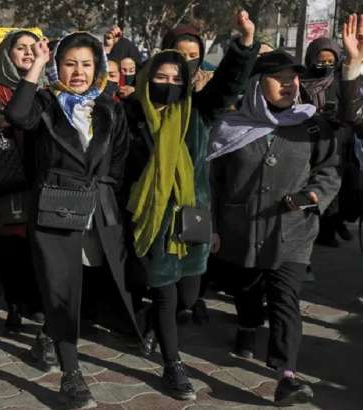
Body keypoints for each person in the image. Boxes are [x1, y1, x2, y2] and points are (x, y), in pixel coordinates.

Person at [123, 10, 258, 401]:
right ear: (148, 80)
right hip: (153, 221)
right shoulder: (132, 116)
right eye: (161, 78)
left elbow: (230, 84)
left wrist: (244, 43)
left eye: (176, 79)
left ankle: (150, 317)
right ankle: (173, 365)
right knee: (166, 293)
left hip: (192, 219)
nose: (168, 85)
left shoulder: (198, 113)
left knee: (187, 297)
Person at [5, 32, 140, 410]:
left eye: (86, 63)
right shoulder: (45, 103)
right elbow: (17, 115)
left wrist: (106, 199)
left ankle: (47, 336)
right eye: (69, 63)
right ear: (56, 65)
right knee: (61, 286)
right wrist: (34, 68)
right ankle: (72, 374)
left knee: (89, 280)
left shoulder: (109, 106)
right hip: (54, 210)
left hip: (98, 210)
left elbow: (118, 161)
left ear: (97, 66)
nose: (78, 72)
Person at [209, 49, 341, 406]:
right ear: (256, 84)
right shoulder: (229, 126)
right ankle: (248, 325)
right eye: (278, 78)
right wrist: (214, 225)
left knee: (286, 298)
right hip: (241, 228)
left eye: (293, 78)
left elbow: (329, 168)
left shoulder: (312, 125)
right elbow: (213, 181)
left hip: (293, 228)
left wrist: (315, 194)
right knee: (248, 289)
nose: (289, 84)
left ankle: (287, 375)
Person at [0, 30, 44, 333]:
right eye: (20, 48)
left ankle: (35, 302)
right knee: (10, 247)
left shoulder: (49, 87)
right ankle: (15, 305)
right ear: (8, 53)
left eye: (34, 48)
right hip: (7, 179)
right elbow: (4, 119)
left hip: (41, 177)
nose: (28, 53)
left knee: (38, 246)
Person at [300, 37, 356, 249]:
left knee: (345, 184)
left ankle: (337, 222)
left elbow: (351, 105)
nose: (325, 66)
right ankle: (325, 230)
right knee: (316, 183)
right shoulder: (299, 81)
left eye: (330, 61)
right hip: (310, 139)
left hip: (339, 138)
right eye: (320, 61)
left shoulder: (342, 80)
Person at [161, 25, 214, 92]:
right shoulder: (153, 81)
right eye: (181, 55)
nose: (187, 60)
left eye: (193, 56)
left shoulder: (208, 81)